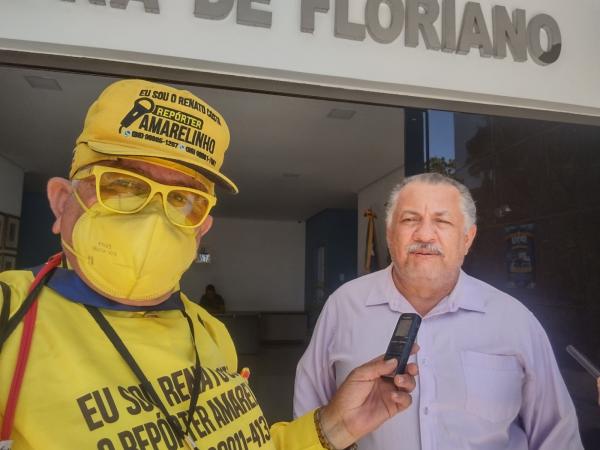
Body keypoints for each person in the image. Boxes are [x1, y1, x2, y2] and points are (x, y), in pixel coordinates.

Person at [0, 79, 419, 450]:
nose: (153, 217)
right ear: (61, 202)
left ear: (201, 227)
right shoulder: (10, 318)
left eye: (183, 199)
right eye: (123, 184)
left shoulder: (209, 332)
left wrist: (335, 426)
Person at [294, 173, 584, 450]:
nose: (424, 234)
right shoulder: (344, 307)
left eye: (442, 221)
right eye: (410, 220)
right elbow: (307, 421)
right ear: (390, 234)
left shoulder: (513, 319)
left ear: (467, 239)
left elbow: (556, 435)